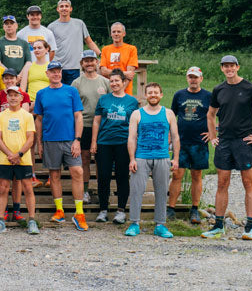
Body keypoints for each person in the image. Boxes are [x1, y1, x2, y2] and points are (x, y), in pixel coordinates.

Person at [202, 55, 252, 240]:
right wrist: (212, 136)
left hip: (244, 143)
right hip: (224, 142)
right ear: (222, 69)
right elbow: (210, 114)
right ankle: (219, 225)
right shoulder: (219, 89)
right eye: (225, 66)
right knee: (222, 183)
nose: (229, 69)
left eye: (232, 66)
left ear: (237, 67)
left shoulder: (250, 88)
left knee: (248, 182)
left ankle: (250, 226)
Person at [33, 61, 87, 231]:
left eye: (58, 71)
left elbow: (78, 116)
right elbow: (39, 120)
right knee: (54, 175)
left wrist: (77, 140)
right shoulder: (42, 94)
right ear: (47, 74)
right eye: (52, 72)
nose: (56, 74)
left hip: (70, 139)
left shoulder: (71, 91)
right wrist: (39, 143)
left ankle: (79, 213)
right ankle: (59, 211)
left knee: (77, 171)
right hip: (50, 140)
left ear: (61, 73)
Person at [123, 83, 179, 238]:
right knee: (136, 190)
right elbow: (132, 138)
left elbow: (175, 137)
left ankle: (160, 224)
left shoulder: (168, 113)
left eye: (156, 92)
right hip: (141, 157)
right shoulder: (137, 114)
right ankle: (134, 223)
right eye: (150, 93)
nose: (153, 95)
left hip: (162, 157)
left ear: (161, 95)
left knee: (161, 191)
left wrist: (175, 158)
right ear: (145, 96)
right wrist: (132, 159)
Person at [91, 69, 140, 224]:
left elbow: (135, 124)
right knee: (103, 177)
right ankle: (103, 210)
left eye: (117, 81)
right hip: (104, 142)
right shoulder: (104, 100)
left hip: (123, 144)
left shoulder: (132, 101)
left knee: (122, 177)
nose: (114, 84)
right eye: (111, 81)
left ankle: (120, 211)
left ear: (124, 82)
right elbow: (97, 121)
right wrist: (94, 141)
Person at [0, 86, 40, 235]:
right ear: (6, 98)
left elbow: (31, 137)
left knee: (28, 188)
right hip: (6, 159)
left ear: (21, 98)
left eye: (15, 95)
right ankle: (0, 220)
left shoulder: (27, 116)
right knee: (3, 188)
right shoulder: (1, 116)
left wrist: (19, 154)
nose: (12, 98)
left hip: (23, 159)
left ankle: (32, 220)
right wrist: (10, 154)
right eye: (10, 95)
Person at [166, 66, 210, 224]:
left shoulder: (208, 96)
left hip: (199, 142)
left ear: (201, 79)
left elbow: (216, 115)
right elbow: (172, 116)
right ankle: (171, 208)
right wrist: (170, 135)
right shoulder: (179, 95)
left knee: (196, 175)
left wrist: (214, 132)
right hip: (181, 141)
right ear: (187, 78)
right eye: (190, 77)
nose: (193, 80)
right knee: (177, 174)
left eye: (196, 77)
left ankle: (195, 209)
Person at [0, 68, 31, 222]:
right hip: (2, 142)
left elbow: (23, 118)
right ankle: (4, 210)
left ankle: (17, 209)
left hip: (19, 144)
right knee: (3, 180)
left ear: (16, 79)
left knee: (17, 180)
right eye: (6, 78)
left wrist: (19, 152)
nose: (9, 81)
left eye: (11, 78)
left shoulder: (23, 95)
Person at [72, 49, 110, 202]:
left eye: (91, 60)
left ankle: (103, 191)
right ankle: (85, 191)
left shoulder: (105, 81)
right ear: (82, 64)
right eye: (86, 61)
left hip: (103, 126)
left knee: (102, 160)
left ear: (96, 62)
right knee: (85, 158)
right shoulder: (77, 82)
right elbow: (73, 106)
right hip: (85, 125)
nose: (89, 63)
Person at [48, 0, 99, 85]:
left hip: (75, 67)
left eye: (66, 6)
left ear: (70, 9)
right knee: (59, 93)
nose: (64, 8)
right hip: (57, 67)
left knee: (73, 93)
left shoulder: (79, 24)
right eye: (61, 6)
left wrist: (101, 54)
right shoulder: (51, 27)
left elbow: (89, 41)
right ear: (58, 9)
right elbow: (48, 48)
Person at [99, 22, 138, 95]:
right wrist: (124, 73)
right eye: (114, 32)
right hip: (108, 91)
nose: (116, 34)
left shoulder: (131, 49)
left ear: (124, 34)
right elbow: (103, 71)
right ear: (111, 34)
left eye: (119, 31)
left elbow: (130, 75)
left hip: (125, 92)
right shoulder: (105, 49)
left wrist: (120, 92)